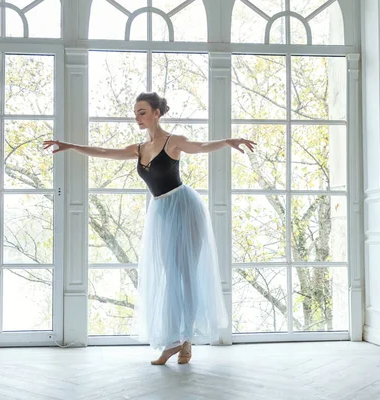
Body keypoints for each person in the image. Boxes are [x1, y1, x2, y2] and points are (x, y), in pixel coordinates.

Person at [44, 92, 256, 365]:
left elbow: (200, 145)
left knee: (186, 274)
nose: (137, 117)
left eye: (142, 112)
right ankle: (175, 340)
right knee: (169, 274)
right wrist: (70, 146)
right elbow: (104, 152)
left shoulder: (173, 142)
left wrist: (228, 141)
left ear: (156, 113)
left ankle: (186, 341)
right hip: (161, 211)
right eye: (135, 113)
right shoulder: (139, 149)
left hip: (184, 207)